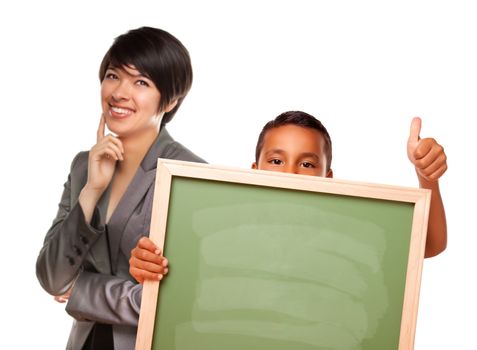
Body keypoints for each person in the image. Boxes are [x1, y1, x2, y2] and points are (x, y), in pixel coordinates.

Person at [129, 110, 447, 284]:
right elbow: (167, 275)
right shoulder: (214, 235)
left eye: (307, 164)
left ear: (329, 178)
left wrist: (427, 177)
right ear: (255, 170)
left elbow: (430, 244)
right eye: (277, 161)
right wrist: (145, 268)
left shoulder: (349, 234)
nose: (291, 174)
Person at [35, 27, 205, 350]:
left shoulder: (191, 176)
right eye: (113, 76)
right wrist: (91, 190)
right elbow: (52, 276)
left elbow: (179, 302)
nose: (119, 93)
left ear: (170, 100)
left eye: (141, 82)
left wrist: (81, 290)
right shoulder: (84, 166)